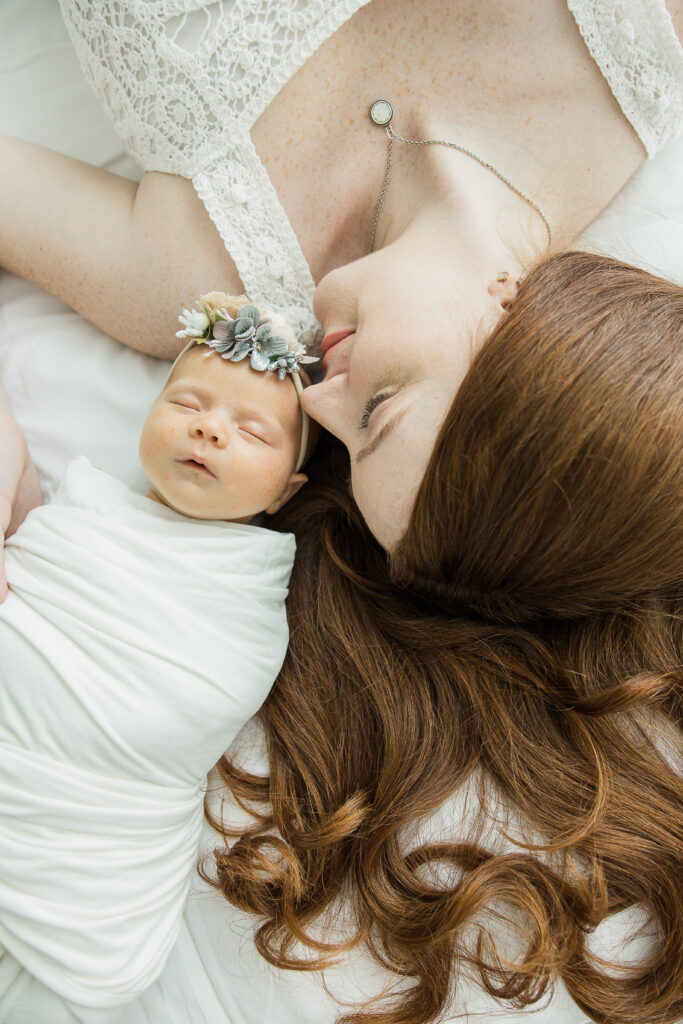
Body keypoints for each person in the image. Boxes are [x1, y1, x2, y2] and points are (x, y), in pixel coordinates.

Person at [0, 1, 681, 1022]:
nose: (316, 396)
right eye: (380, 412)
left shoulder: (187, 283)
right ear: (510, 315)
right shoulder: (640, 44)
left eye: (344, 438)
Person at [0, 294, 315, 1007]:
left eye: (252, 432)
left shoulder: (245, 595)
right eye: (187, 402)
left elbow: (189, 701)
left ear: (287, 490)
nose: (208, 427)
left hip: (89, 850)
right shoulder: (81, 505)